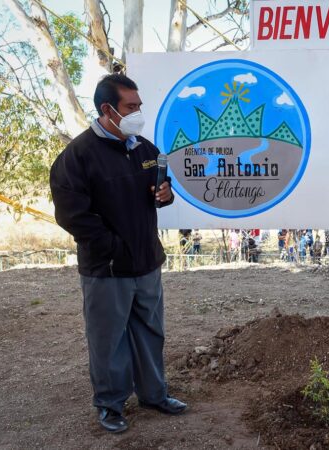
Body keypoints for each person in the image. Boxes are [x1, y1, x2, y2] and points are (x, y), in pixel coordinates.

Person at [49, 74, 187, 433]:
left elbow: (160, 189)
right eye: (131, 107)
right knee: (108, 339)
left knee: (150, 332)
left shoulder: (145, 149)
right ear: (107, 110)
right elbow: (72, 216)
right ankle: (110, 404)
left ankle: (154, 394)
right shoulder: (78, 156)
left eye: (139, 106)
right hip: (107, 270)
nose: (138, 113)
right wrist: (113, 248)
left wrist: (165, 194)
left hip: (147, 264)